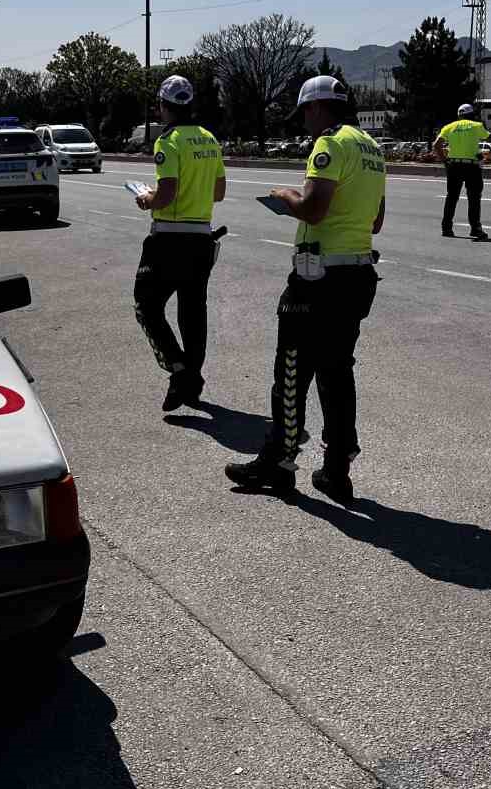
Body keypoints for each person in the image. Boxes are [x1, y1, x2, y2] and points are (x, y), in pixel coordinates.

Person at [225, 76, 385, 500]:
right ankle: (336, 469)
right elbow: (375, 221)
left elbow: (313, 210)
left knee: (292, 370)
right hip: (357, 275)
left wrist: (285, 196)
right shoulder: (371, 147)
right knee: (337, 371)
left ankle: (279, 462)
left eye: (306, 115)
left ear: (317, 108)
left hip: (319, 279)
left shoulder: (330, 144)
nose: (306, 124)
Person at [133, 75, 226, 411]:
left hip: (169, 239)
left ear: (164, 106)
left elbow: (167, 193)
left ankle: (180, 370)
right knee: (192, 312)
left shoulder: (168, 141)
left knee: (145, 305)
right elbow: (219, 192)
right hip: (201, 237)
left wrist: (147, 198)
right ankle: (191, 377)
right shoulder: (208, 140)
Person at [434, 102, 490, 240]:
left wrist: (445, 161)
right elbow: (488, 137)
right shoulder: (476, 126)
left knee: (451, 197)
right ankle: (475, 229)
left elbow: (436, 145)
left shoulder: (449, 127)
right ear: (472, 115)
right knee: (474, 198)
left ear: (459, 115)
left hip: (453, 166)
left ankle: (446, 228)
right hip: (472, 166)